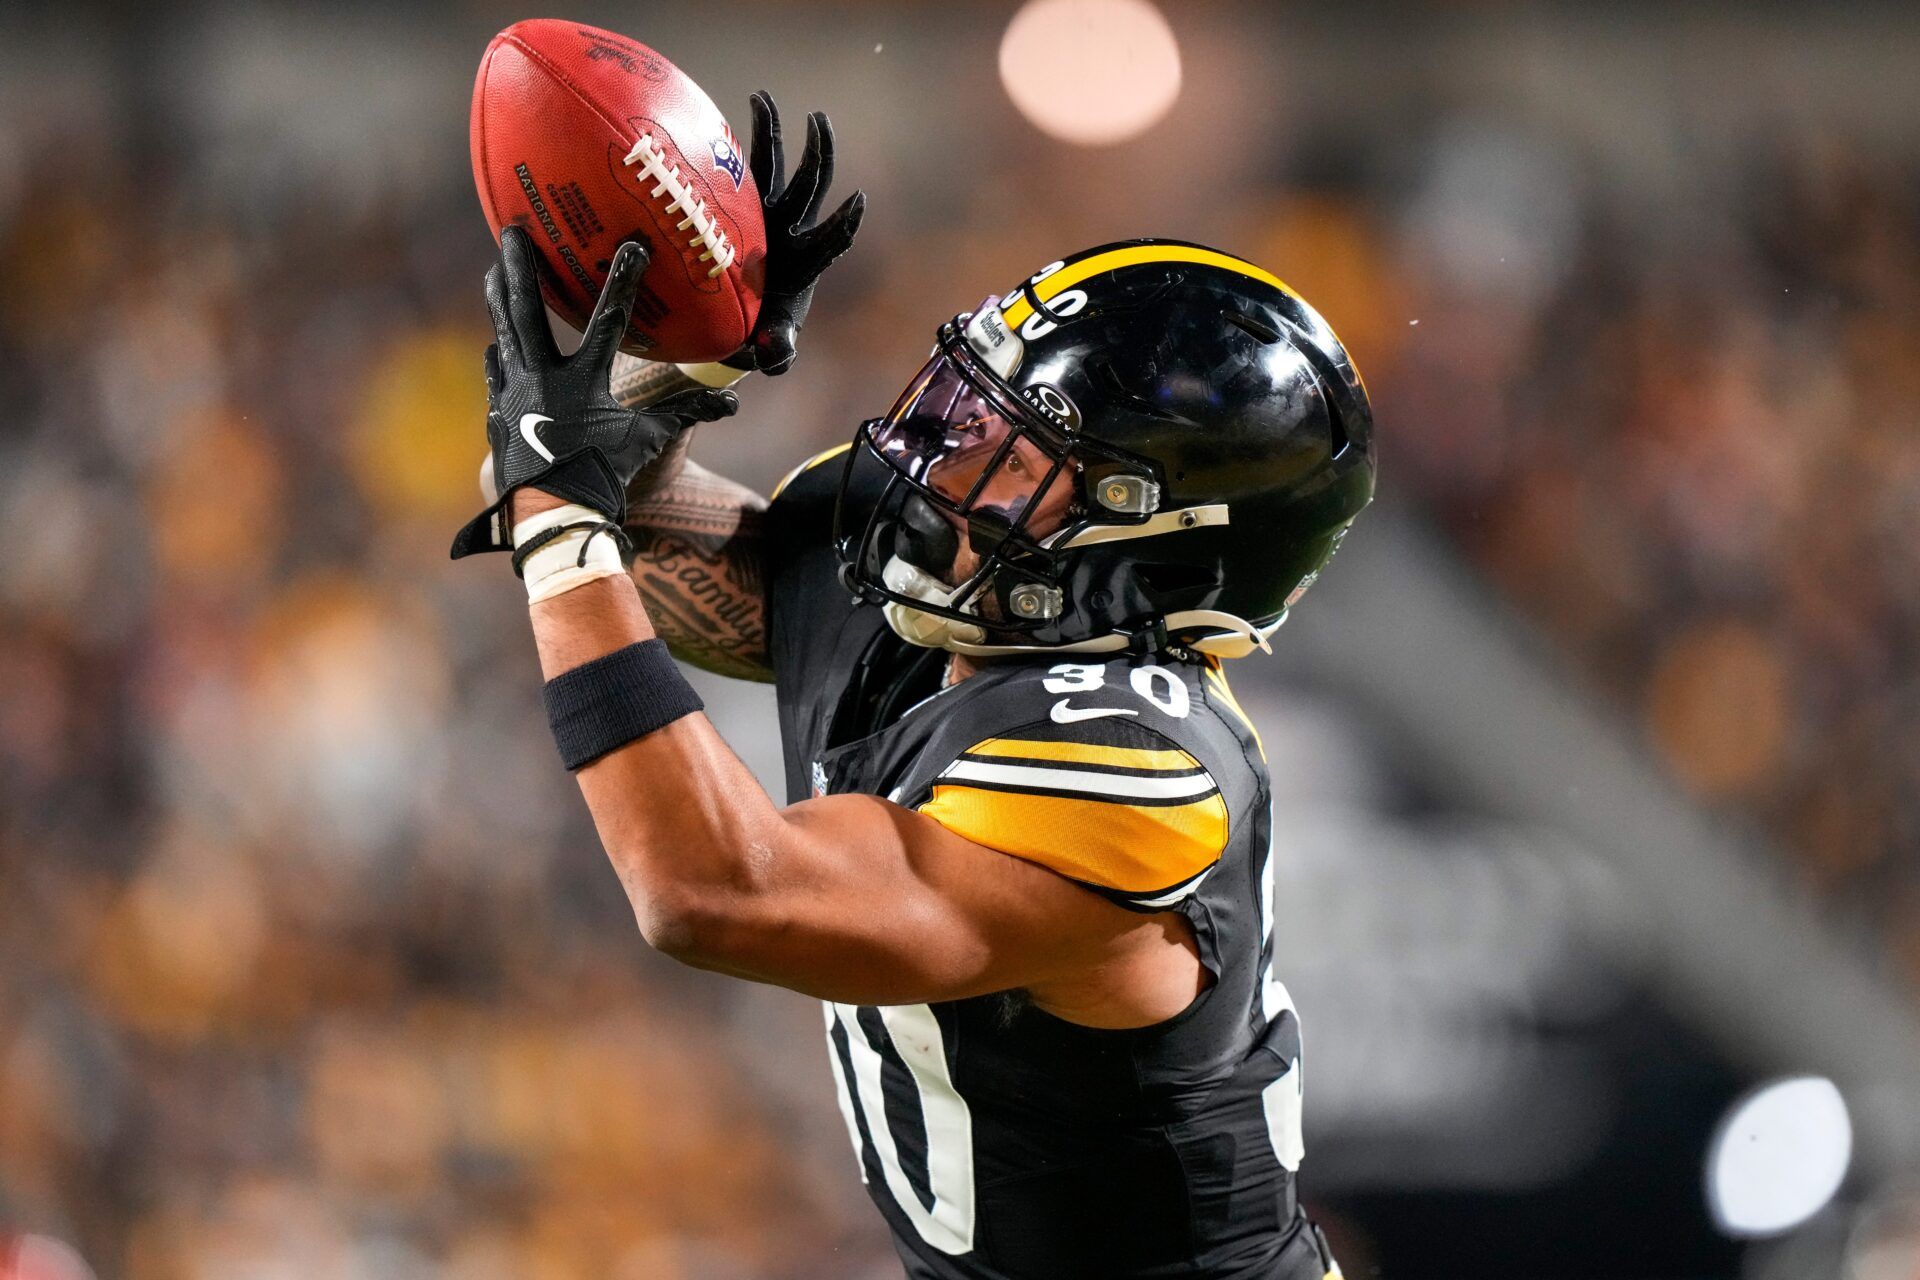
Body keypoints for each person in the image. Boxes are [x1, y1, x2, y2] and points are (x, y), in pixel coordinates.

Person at [451, 94, 1372, 1280]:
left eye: (1015, 457)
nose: (941, 461)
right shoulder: (954, 594)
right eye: (965, 404)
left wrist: (561, 509)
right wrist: (678, 351)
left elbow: (708, 889)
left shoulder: (1134, 766)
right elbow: (541, 488)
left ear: (1153, 546)